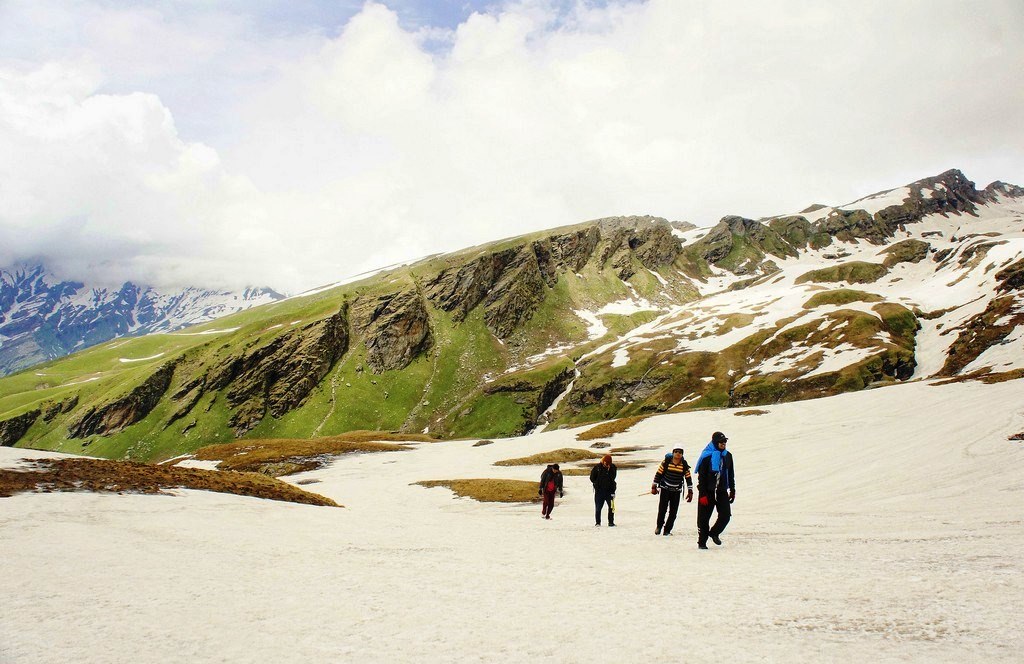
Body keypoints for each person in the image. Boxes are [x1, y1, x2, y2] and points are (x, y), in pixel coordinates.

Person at [694, 431, 735, 549]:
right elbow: (701, 477)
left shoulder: (728, 456)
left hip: (721, 490)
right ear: (714, 442)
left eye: (725, 442)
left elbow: (730, 474)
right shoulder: (706, 456)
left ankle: (714, 533)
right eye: (720, 442)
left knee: (726, 515)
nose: (723, 444)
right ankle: (702, 542)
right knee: (704, 518)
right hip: (708, 491)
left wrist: (732, 489)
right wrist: (702, 494)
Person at [651, 447, 693, 536]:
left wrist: (690, 491)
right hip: (665, 489)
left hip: (676, 491)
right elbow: (658, 474)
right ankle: (659, 526)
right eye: (676, 452)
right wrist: (654, 486)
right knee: (662, 509)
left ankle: (667, 530)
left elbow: (688, 478)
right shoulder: (666, 462)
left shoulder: (684, 465)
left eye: (680, 452)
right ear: (673, 453)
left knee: (673, 512)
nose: (678, 454)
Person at [590, 454, 617, 527]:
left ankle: (611, 522)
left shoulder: (613, 467)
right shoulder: (597, 467)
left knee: (612, 507)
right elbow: (592, 478)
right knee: (598, 508)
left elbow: (613, 477)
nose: (607, 465)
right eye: (606, 463)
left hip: (610, 491)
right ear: (603, 461)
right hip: (599, 492)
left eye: (609, 464)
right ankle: (598, 522)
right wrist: (597, 484)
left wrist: (609, 470)